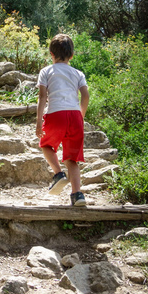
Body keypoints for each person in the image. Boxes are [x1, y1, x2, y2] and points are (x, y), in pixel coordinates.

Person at [35, 33, 89, 207]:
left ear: (51, 53)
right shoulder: (78, 73)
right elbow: (85, 95)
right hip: (74, 116)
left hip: (56, 115)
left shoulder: (46, 71)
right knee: (72, 158)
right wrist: (81, 115)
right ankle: (77, 195)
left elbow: (42, 97)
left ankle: (58, 174)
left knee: (46, 145)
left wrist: (38, 123)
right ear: (72, 55)